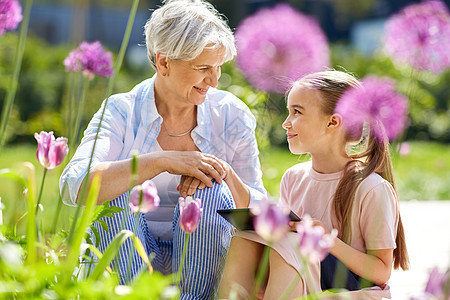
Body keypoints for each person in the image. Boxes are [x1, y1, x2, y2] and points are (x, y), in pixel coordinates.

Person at [59, 0, 266, 298]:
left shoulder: (231, 114)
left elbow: (259, 209)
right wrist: (160, 161)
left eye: (219, 67)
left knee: (210, 188)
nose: (215, 79)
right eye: (203, 68)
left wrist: (223, 174)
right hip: (128, 262)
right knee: (115, 196)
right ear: (164, 62)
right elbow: (73, 184)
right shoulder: (121, 110)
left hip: (205, 266)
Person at [218, 70, 409, 299]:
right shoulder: (293, 178)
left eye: (296, 112)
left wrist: (327, 240)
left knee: (293, 242)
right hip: (306, 280)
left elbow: (381, 272)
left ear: (333, 122)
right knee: (245, 240)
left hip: (351, 291)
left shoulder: (371, 187)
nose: (285, 123)